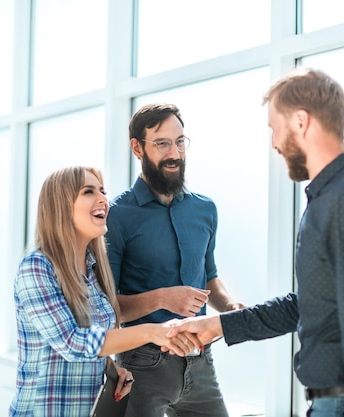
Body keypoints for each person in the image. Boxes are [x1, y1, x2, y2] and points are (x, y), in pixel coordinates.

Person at [167, 68, 344, 417]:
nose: (274, 143)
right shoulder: (332, 198)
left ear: (300, 121)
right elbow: (314, 305)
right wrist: (218, 325)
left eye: (274, 128)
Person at [9, 166, 199, 417]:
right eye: (88, 191)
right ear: (60, 206)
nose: (103, 199)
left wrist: (111, 369)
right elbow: (73, 343)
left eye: (103, 191)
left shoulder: (94, 270)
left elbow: (95, 337)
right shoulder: (37, 267)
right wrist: (153, 332)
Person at [104, 103, 244, 417]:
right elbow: (107, 306)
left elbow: (209, 277)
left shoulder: (205, 209)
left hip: (200, 361)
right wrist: (162, 299)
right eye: (163, 143)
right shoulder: (117, 216)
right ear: (137, 148)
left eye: (180, 142)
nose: (175, 153)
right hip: (141, 366)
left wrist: (232, 307)